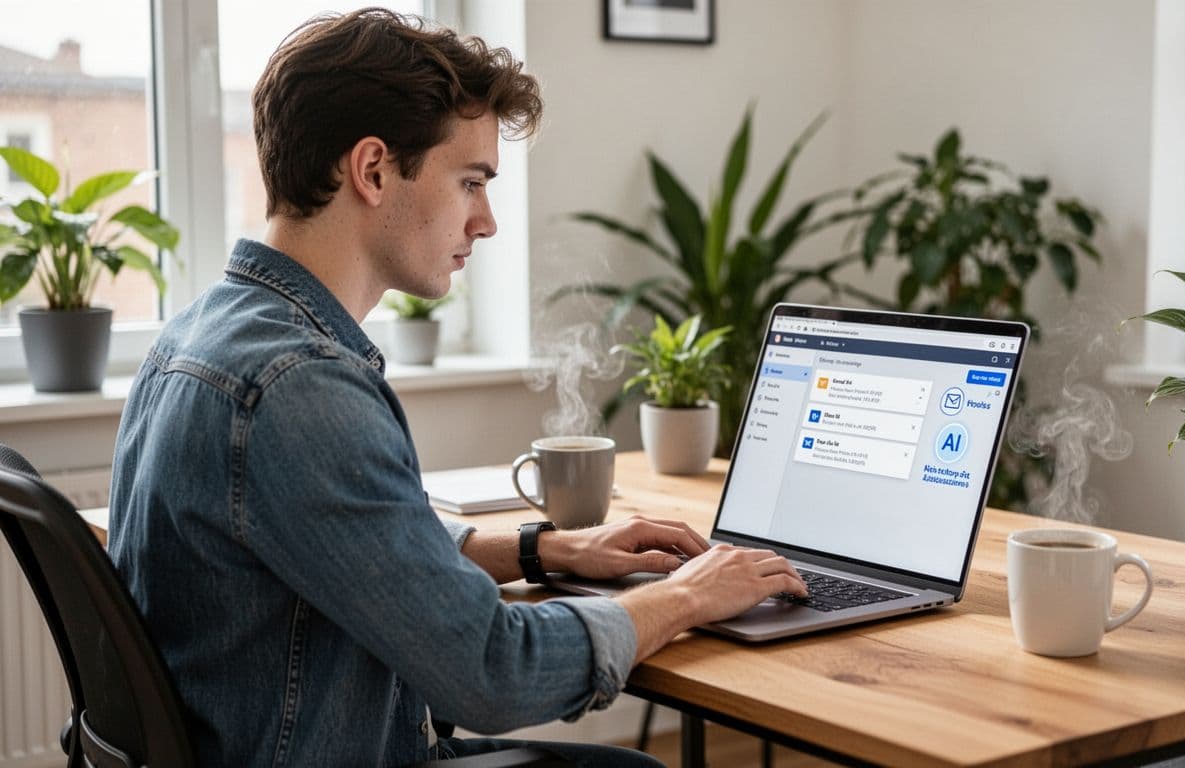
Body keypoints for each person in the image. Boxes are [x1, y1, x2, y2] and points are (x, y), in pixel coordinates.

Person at [108, 8, 806, 768]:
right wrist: (688, 596)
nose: (487, 221)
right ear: (372, 169)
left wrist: (548, 549)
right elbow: (494, 673)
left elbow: (357, 549)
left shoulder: (201, 334)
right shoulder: (300, 387)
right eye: (471, 181)